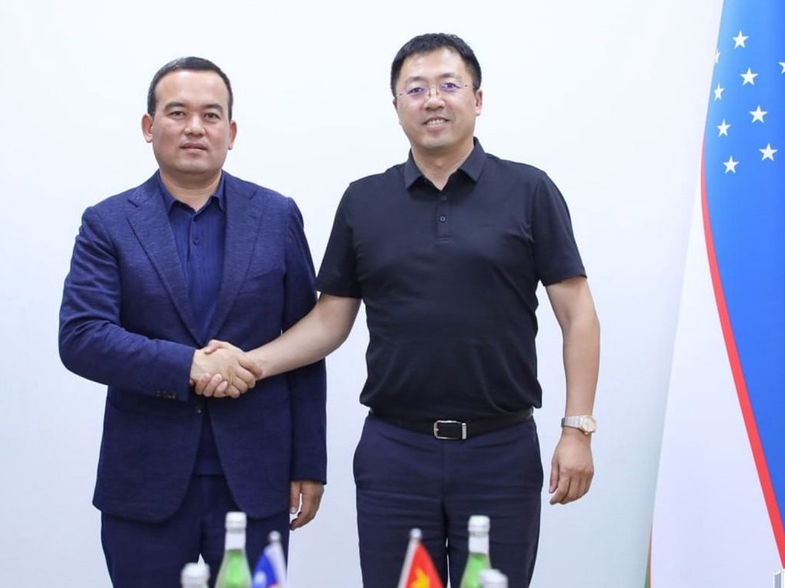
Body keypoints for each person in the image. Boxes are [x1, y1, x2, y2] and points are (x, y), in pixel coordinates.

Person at [198, 33, 599, 587]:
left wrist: (577, 429)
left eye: (448, 85)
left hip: (501, 451)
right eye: (416, 89)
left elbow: (578, 314)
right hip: (396, 452)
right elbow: (331, 318)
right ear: (396, 107)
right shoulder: (364, 200)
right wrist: (251, 362)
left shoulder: (530, 190)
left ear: (478, 99)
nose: (433, 100)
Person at [58, 56, 327, 588]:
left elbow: (305, 340)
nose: (194, 128)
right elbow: (83, 337)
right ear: (149, 126)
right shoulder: (108, 223)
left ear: (232, 131)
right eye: (177, 113)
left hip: (257, 479)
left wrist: (309, 461)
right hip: (145, 481)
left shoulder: (276, 216)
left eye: (210, 115)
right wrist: (188, 365)